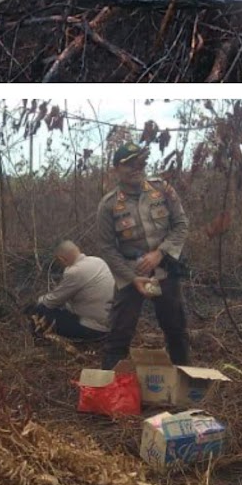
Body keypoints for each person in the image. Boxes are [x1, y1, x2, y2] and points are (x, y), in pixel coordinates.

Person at [96, 140, 192, 369]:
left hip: (164, 270)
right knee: (120, 331)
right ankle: (111, 387)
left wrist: (160, 253)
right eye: (129, 165)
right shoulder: (108, 205)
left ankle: (183, 382)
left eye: (140, 162)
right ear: (116, 169)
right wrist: (132, 278)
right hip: (132, 273)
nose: (136, 168)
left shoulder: (162, 190)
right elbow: (106, 247)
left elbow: (181, 225)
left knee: (175, 328)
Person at [28, 241, 114, 342]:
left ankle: (40, 341)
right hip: (113, 324)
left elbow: (51, 302)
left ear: (61, 259)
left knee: (41, 310)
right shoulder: (98, 261)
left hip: (95, 329)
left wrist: (38, 301)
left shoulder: (75, 272)